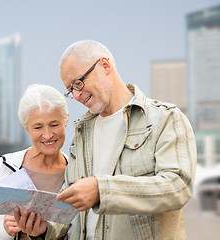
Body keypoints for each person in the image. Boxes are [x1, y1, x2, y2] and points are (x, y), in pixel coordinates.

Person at [19, 40, 197, 240]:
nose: (77, 95)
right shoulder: (81, 132)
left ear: (105, 65)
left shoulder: (165, 118)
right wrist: (43, 229)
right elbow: (69, 208)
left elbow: (177, 187)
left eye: (78, 83)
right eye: (70, 90)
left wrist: (102, 190)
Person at [0, 84, 71, 240]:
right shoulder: (2, 167)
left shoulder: (76, 172)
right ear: (27, 128)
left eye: (54, 125)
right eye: (38, 127)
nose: (47, 135)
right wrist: (3, 230)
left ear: (66, 120)